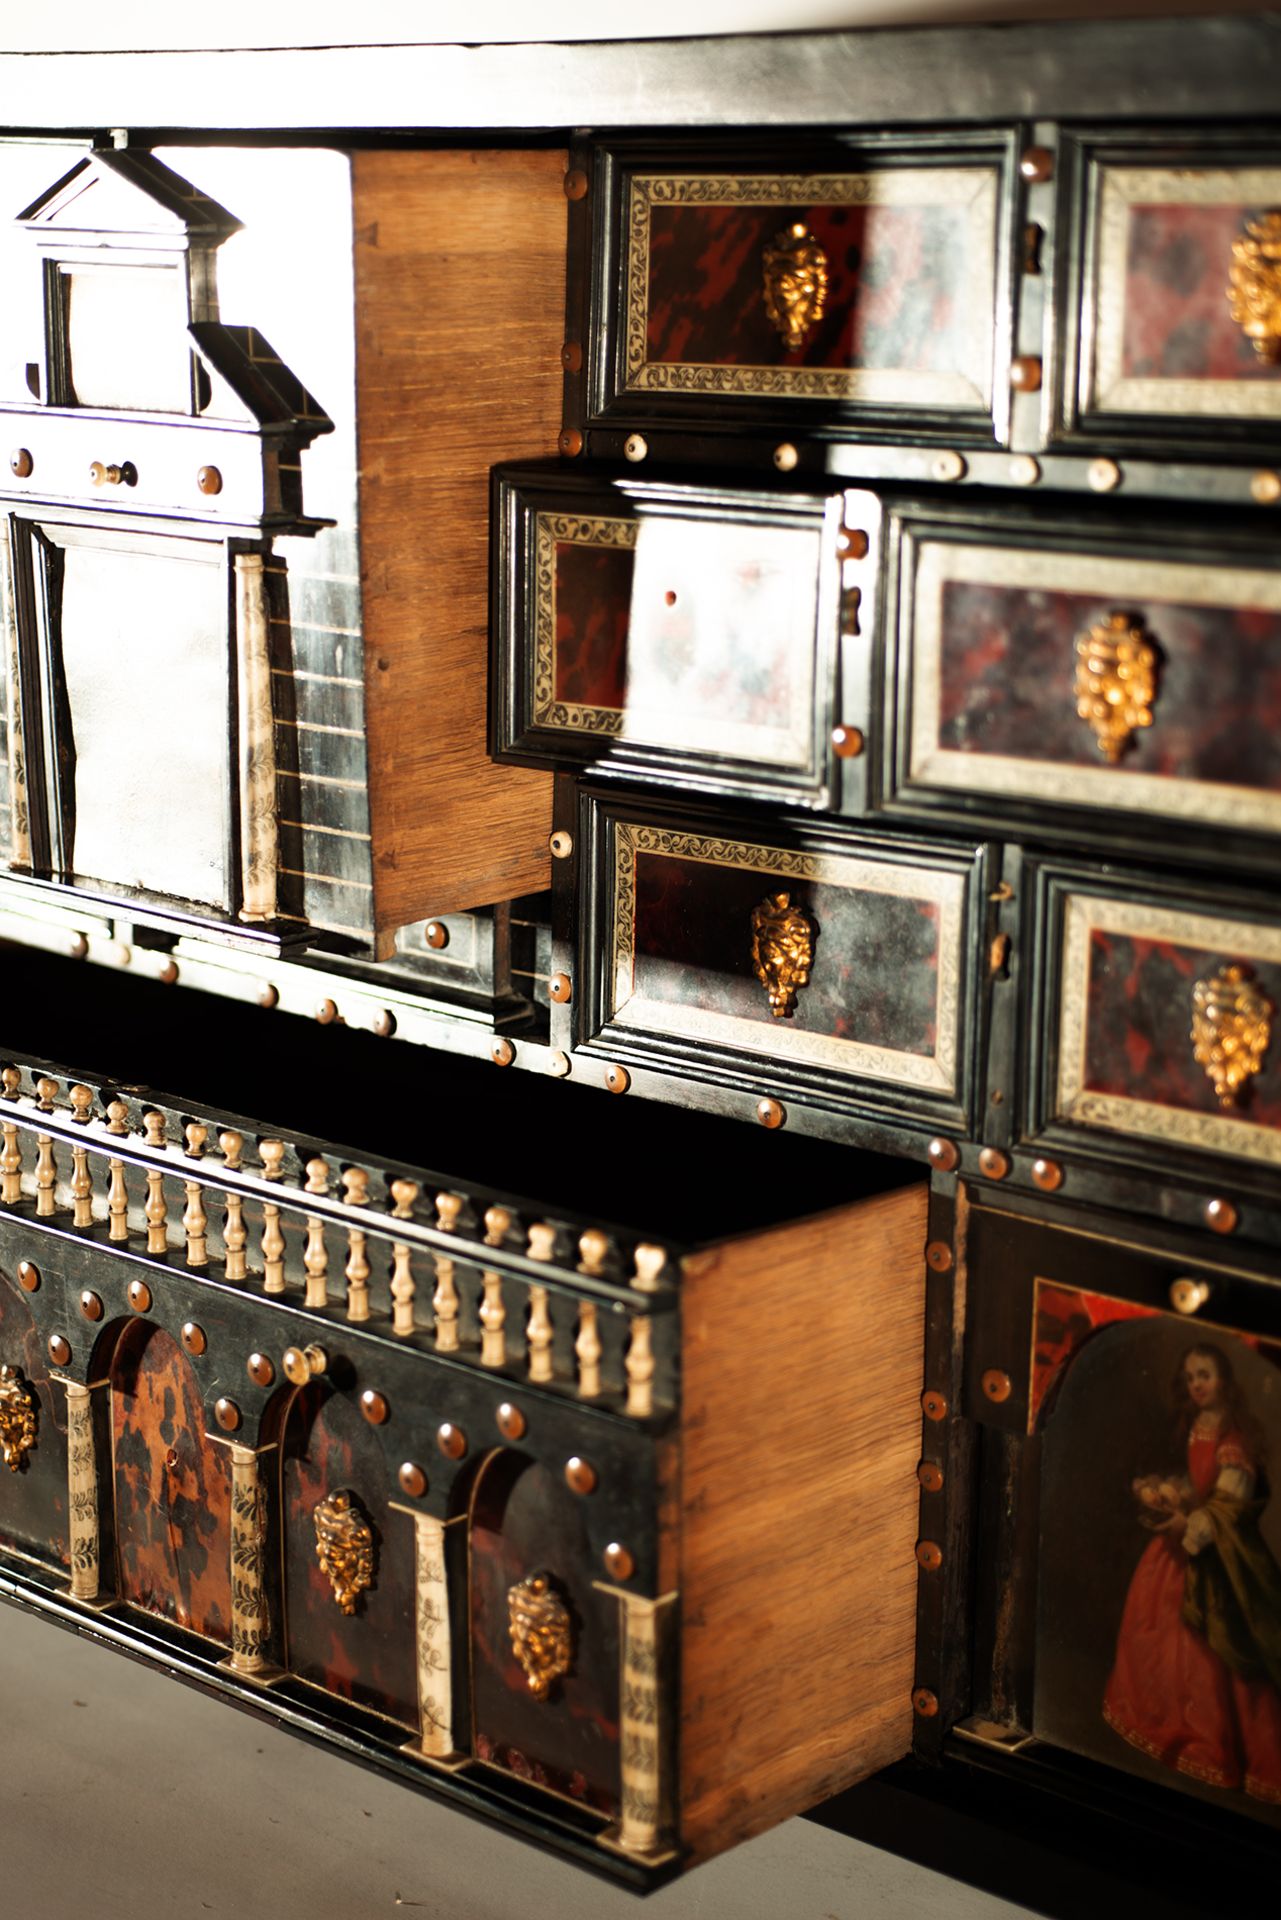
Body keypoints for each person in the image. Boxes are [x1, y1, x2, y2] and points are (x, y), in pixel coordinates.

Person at [1103, 1341, 1281, 1803]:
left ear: (1225, 1379)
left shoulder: (1235, 1438)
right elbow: (1193, 1483)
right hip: (1182, 1547)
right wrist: (1168, 1495)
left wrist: (1192, 1522)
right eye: (1190, 1377)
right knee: (1156, 1640)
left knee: (1214, 1652)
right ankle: (1168, 1731)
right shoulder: (1194, 1424)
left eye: (1205, 1375)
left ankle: (1212, 1749)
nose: (1197, 1385)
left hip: (1222, 1556)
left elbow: (1226, 1505)